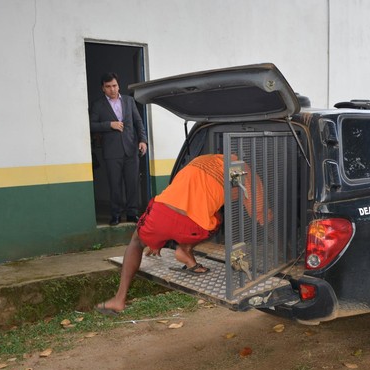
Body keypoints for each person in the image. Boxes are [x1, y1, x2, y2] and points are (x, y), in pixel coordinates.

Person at [95, 153, 269, 316]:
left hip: (161, 212)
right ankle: (185, 249)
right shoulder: (249, 175)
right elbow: (260, 214)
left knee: (136, 242)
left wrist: (156, 242)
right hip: (193, 225)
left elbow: (179, 190)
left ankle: (119, 299)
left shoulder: (203, 159)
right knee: (216, 219)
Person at [89, 72, 148, 226]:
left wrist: (143, 140)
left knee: (132, 183)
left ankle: (132, 214)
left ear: (118, 85)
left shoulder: (129, 101)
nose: (112, 89)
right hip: (111, 152)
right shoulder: (98, 105)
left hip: (131, 149)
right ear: (103, 88)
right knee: (115, 185)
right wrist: (109, 124)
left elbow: (138, 122)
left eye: (114, 86)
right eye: (108, 87)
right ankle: (115, 215)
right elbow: (91, 125)